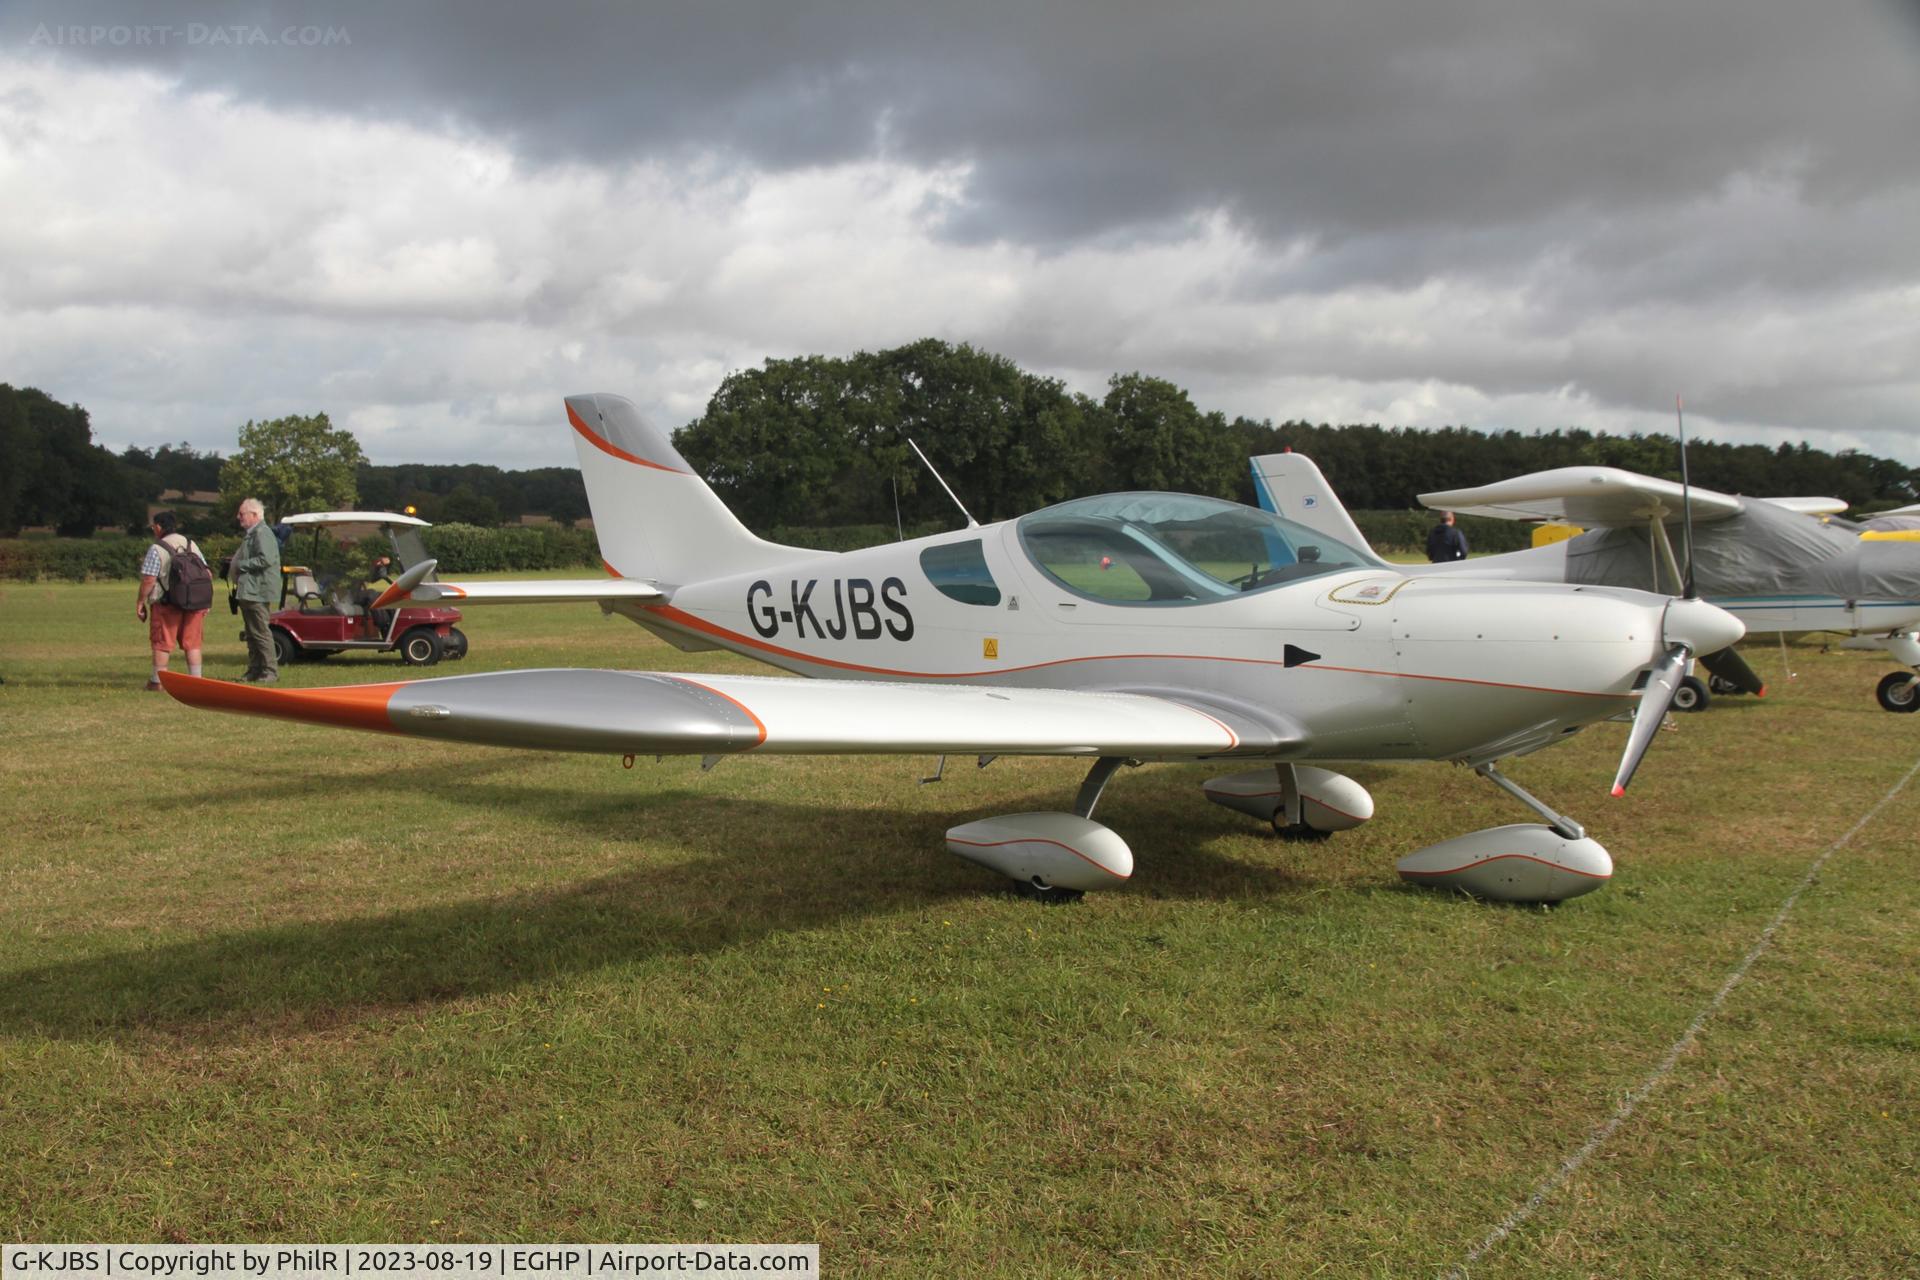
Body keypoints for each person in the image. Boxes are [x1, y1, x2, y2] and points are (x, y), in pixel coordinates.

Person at [135, 510, 209, 690]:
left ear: (159, 527)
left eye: (154, 526)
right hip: (194, 603)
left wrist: (140, 602)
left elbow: (149, 580)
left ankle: (157, 681)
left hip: (166, 603)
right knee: (192, 644)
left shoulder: (157, 548)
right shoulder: (191, 544)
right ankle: (196, 682)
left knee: (162, 643)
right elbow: (206, 573)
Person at [232, 497, 283, 683]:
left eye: (242, 514)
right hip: (250, 590)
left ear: (254, 515)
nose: (239, 517)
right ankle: (254, 670)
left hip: (258, 591)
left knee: (260, 632)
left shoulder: (262, 533)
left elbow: (266, 559)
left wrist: (241, 564)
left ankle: (270, 671)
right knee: (251, 633)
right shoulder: (252, 534)